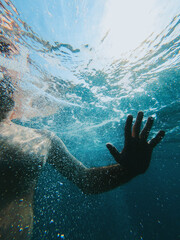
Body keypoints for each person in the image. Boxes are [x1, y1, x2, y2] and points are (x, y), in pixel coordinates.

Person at [0, 39, 165, 240]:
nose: (4, 76)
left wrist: (129, 170)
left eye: (7, 68)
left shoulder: (43, 138)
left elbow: (86, 181)